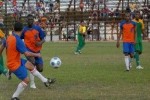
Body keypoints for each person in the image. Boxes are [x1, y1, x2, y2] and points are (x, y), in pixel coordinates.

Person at [0, 22, 55, 100]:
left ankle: (45, 81)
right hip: (14, 64)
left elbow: (2, 46)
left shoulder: (9, 37)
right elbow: (27, 53)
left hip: (15, 60)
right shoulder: (18, 40)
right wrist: (37, 55)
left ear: (13, 28)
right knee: (26, 80)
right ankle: (14, 97)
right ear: (22, 30)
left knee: (30, 65)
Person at [21, 14, 46, 89]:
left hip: (37, 51)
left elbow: (43, 39)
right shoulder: (24, 30)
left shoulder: (38, 28)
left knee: (40, 68)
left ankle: (23, 64)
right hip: (28, 50)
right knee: (32, 62)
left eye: (31, 19)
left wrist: (39, 43)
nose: (30, 21)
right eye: (29, 19)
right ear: (26, 20)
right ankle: (32, 83)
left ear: (33, 20)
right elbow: (19, 38)